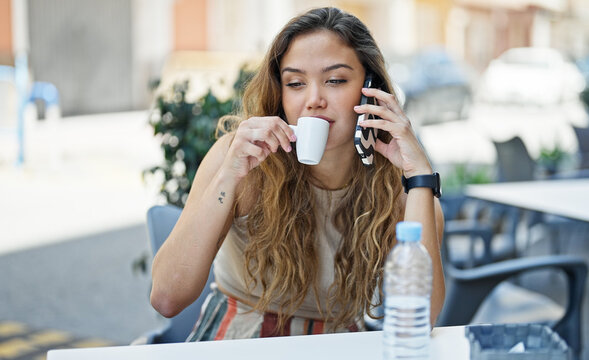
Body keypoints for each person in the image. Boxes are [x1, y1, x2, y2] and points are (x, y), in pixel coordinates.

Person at [150, 7, 445, 341]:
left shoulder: (399, 188)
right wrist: (228, 176)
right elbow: (166, 298)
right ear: (280, 93)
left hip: (339, 344)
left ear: (370, 89)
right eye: (295, 83)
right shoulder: (244, 158)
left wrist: (419, 175)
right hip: (237, 338)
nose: (314, 99)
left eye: (335, 80)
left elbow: (426, 316)